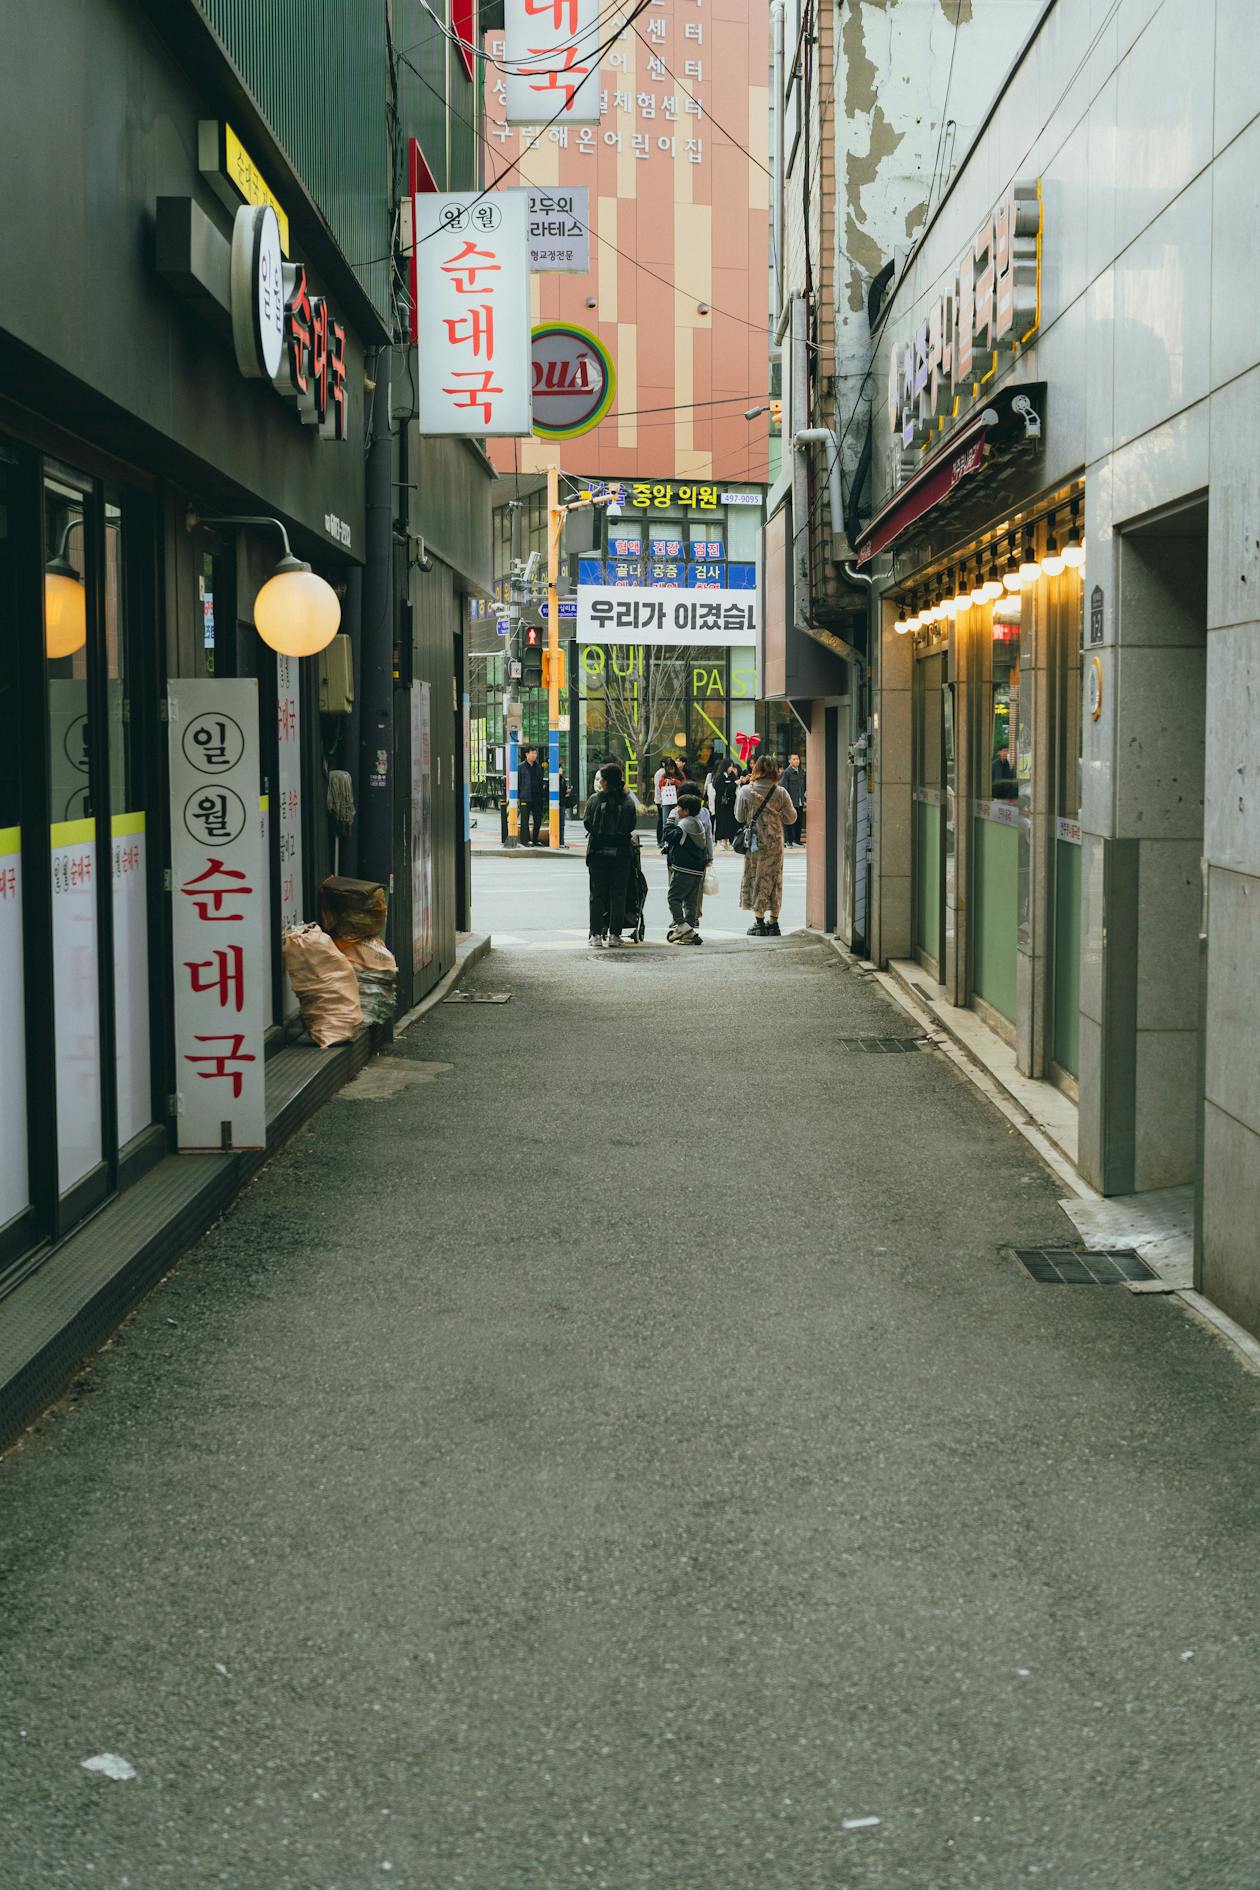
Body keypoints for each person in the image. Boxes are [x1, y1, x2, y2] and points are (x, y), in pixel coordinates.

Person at [735, 755, 797, 936]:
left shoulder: (746, 791)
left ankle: (759, 922)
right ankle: (774, 921)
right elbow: (792, 817)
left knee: (756, 877)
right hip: (775, 841)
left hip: (755, 842)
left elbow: (739, 817)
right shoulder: (781, 792)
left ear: (756, 769)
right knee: (775, 878)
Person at [584, 762, 638, 947]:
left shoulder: (594, 800)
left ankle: (596, 935)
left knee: (597, 894)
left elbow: (587, 823)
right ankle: (615, 935)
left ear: (605, 781)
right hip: (621, 854)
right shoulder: (628, 802)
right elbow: (631, 825)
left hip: (597, 853)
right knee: (618, 894)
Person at [660, 788, 712, 944]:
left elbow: (669, 835)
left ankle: (682, 926)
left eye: (679, 808)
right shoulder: (697, 822)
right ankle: (689, 933)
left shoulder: (685, 823)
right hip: (697, 869)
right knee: (690, 901)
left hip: (684, 868)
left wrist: (669, 820)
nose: (677, 810)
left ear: (687, 810)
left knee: (673, 898)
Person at [518, 745, 545, 845]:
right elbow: (518, 782)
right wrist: (518, 797)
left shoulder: (538, 766)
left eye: (535, 753)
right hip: (525, 797)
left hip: (537, 797)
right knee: (524, 821)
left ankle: (535, 839)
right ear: (526, 754)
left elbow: (540, 781)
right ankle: (526, 840)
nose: (534, 755)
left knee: (537, 820)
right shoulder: (520, 767)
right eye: (532, 753)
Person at [712, 759, 740, 850]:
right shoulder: (719, 776)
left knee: (729, 822)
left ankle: (727, 842)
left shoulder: (732, 776)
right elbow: (723, 790)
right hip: (721, 803)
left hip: (730, 803)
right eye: (730, 766)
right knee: (721, 822)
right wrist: (734, 784)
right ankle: (719, 841)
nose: (731, 768)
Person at [654, 757, 683, 843]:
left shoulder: (680, 774)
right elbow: (660, 786)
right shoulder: (663, 775)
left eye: (672, 768)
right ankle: (665, 840)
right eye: (668, 768)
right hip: (666, 800)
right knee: (665, 821)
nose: (671, 771)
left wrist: (675, 782)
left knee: (677, 820)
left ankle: (676, 839)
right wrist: (665, 781)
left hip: (677, 800)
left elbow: (683, 785)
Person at [781, 752, 806, 845]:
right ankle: (789, 840)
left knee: (799, 820)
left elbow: (803, 786)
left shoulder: (800, 772)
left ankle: (797, 840)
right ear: (789, 761)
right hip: (791, 801)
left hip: (799, 800)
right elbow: (784, 787)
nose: (797, 761)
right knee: (790, 820)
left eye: (798, 759)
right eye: (794, 759)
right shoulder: (787, 772)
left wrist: (804, 799)